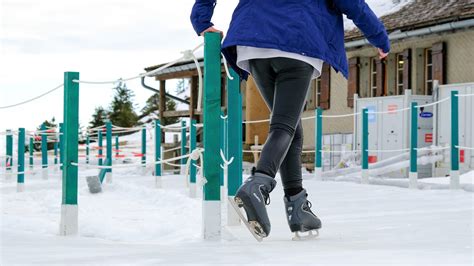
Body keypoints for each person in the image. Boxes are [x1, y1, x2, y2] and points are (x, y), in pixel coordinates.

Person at [191, 0, 390, 239]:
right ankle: (258, 184)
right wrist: (380, 39)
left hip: (253, 42)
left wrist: (202, 20)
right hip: (297, 40)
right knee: (284, 124)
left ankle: (297, 207)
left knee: (291, 129)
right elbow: (354, 5)